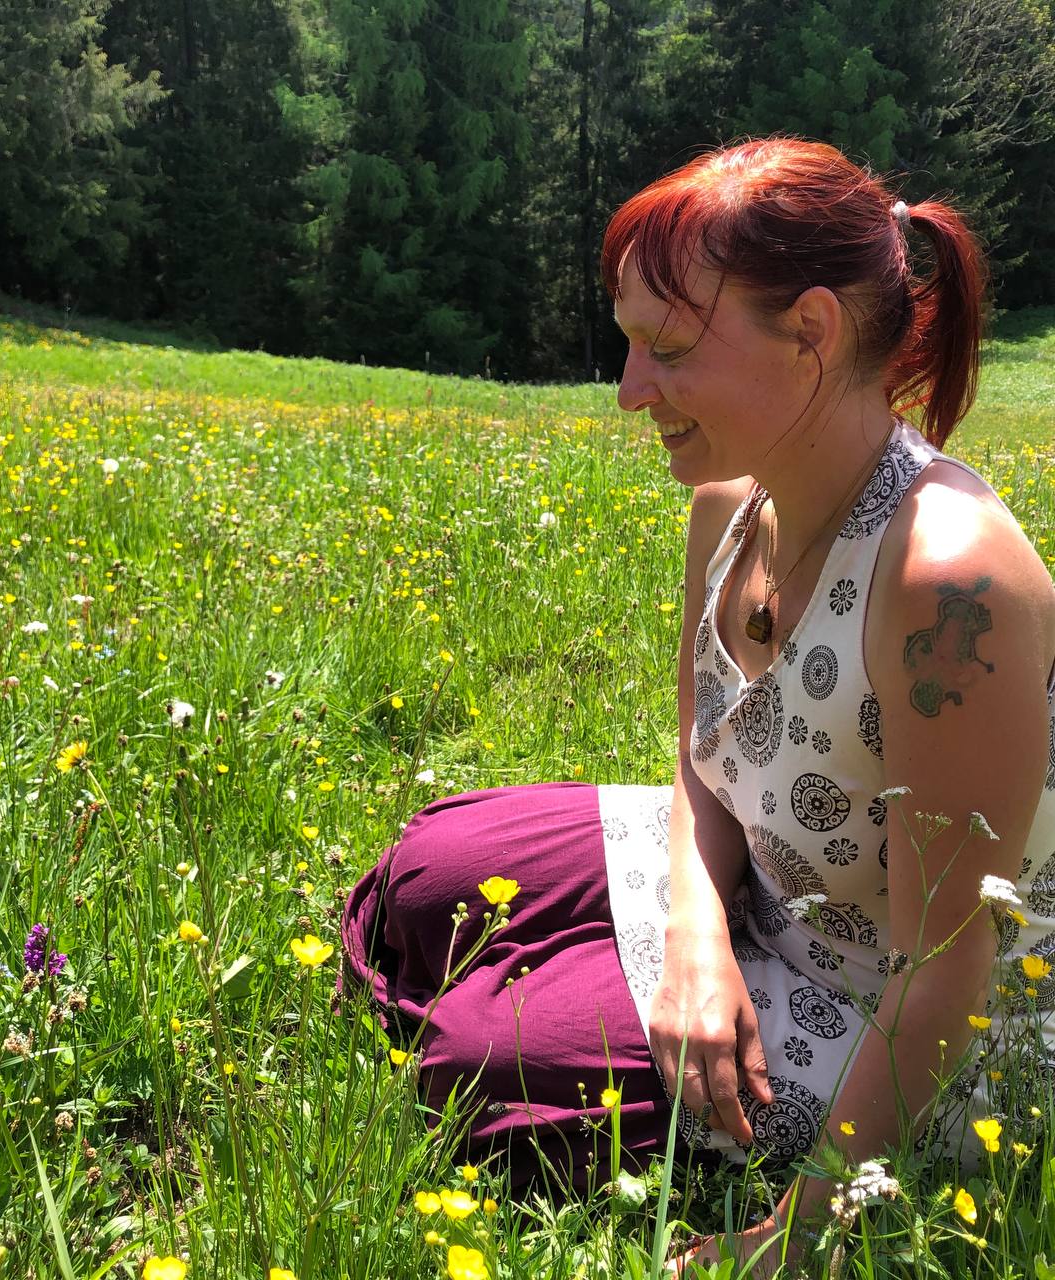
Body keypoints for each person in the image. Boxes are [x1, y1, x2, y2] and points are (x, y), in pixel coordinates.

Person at [340, 137, 1055, 1270]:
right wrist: (694, 937)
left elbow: (942, 971)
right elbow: (700, 751)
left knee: (485, 1061)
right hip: (767, 886)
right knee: (427, 872)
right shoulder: (732, 497)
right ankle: (598, 980)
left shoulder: (947, 587)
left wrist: (797, 1242)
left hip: (909, 1021)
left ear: (811, 332)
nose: (629, 392)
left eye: (666, 349)